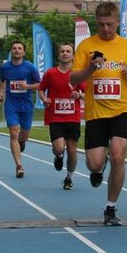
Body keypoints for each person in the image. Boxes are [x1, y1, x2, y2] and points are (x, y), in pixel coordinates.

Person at [70, 1, 127, 226]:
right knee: (94, 164)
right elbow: (73, 78)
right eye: (101, 24)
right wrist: (90, 68)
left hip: (121, 110)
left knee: (118, 156)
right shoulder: (87, 45)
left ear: (117, 22)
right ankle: (99, 168)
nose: (105, 29)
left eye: (109, 24)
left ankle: (110, 208)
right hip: (96, 113)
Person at [38, 42, 86, 190]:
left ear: (73, 56)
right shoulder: (50, 73)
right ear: (58, 55)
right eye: (62, 51)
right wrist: (44, 99)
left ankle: (69, 178)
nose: (65, 53)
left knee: (72, 151)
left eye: (68, 51)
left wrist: (79, 95)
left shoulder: (77, 74)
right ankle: (59, 156)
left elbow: (88, 94)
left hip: (72, 118)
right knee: (59, 148)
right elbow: (41, 89)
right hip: (56, 118)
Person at [0, 40, 41, 178]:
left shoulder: (30, 67)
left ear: (23, 52)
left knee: (24, 135)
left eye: (19, 48)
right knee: (14, 132)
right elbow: (2, 80)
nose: (16, 50)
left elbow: (40, 84)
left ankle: (22, 142)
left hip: (26, 105)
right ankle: (19, 166)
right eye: (14, 48)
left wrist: (28, 87)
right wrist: (1, 92)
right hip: (11, 104)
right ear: (11, 51)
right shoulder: (5, 67)